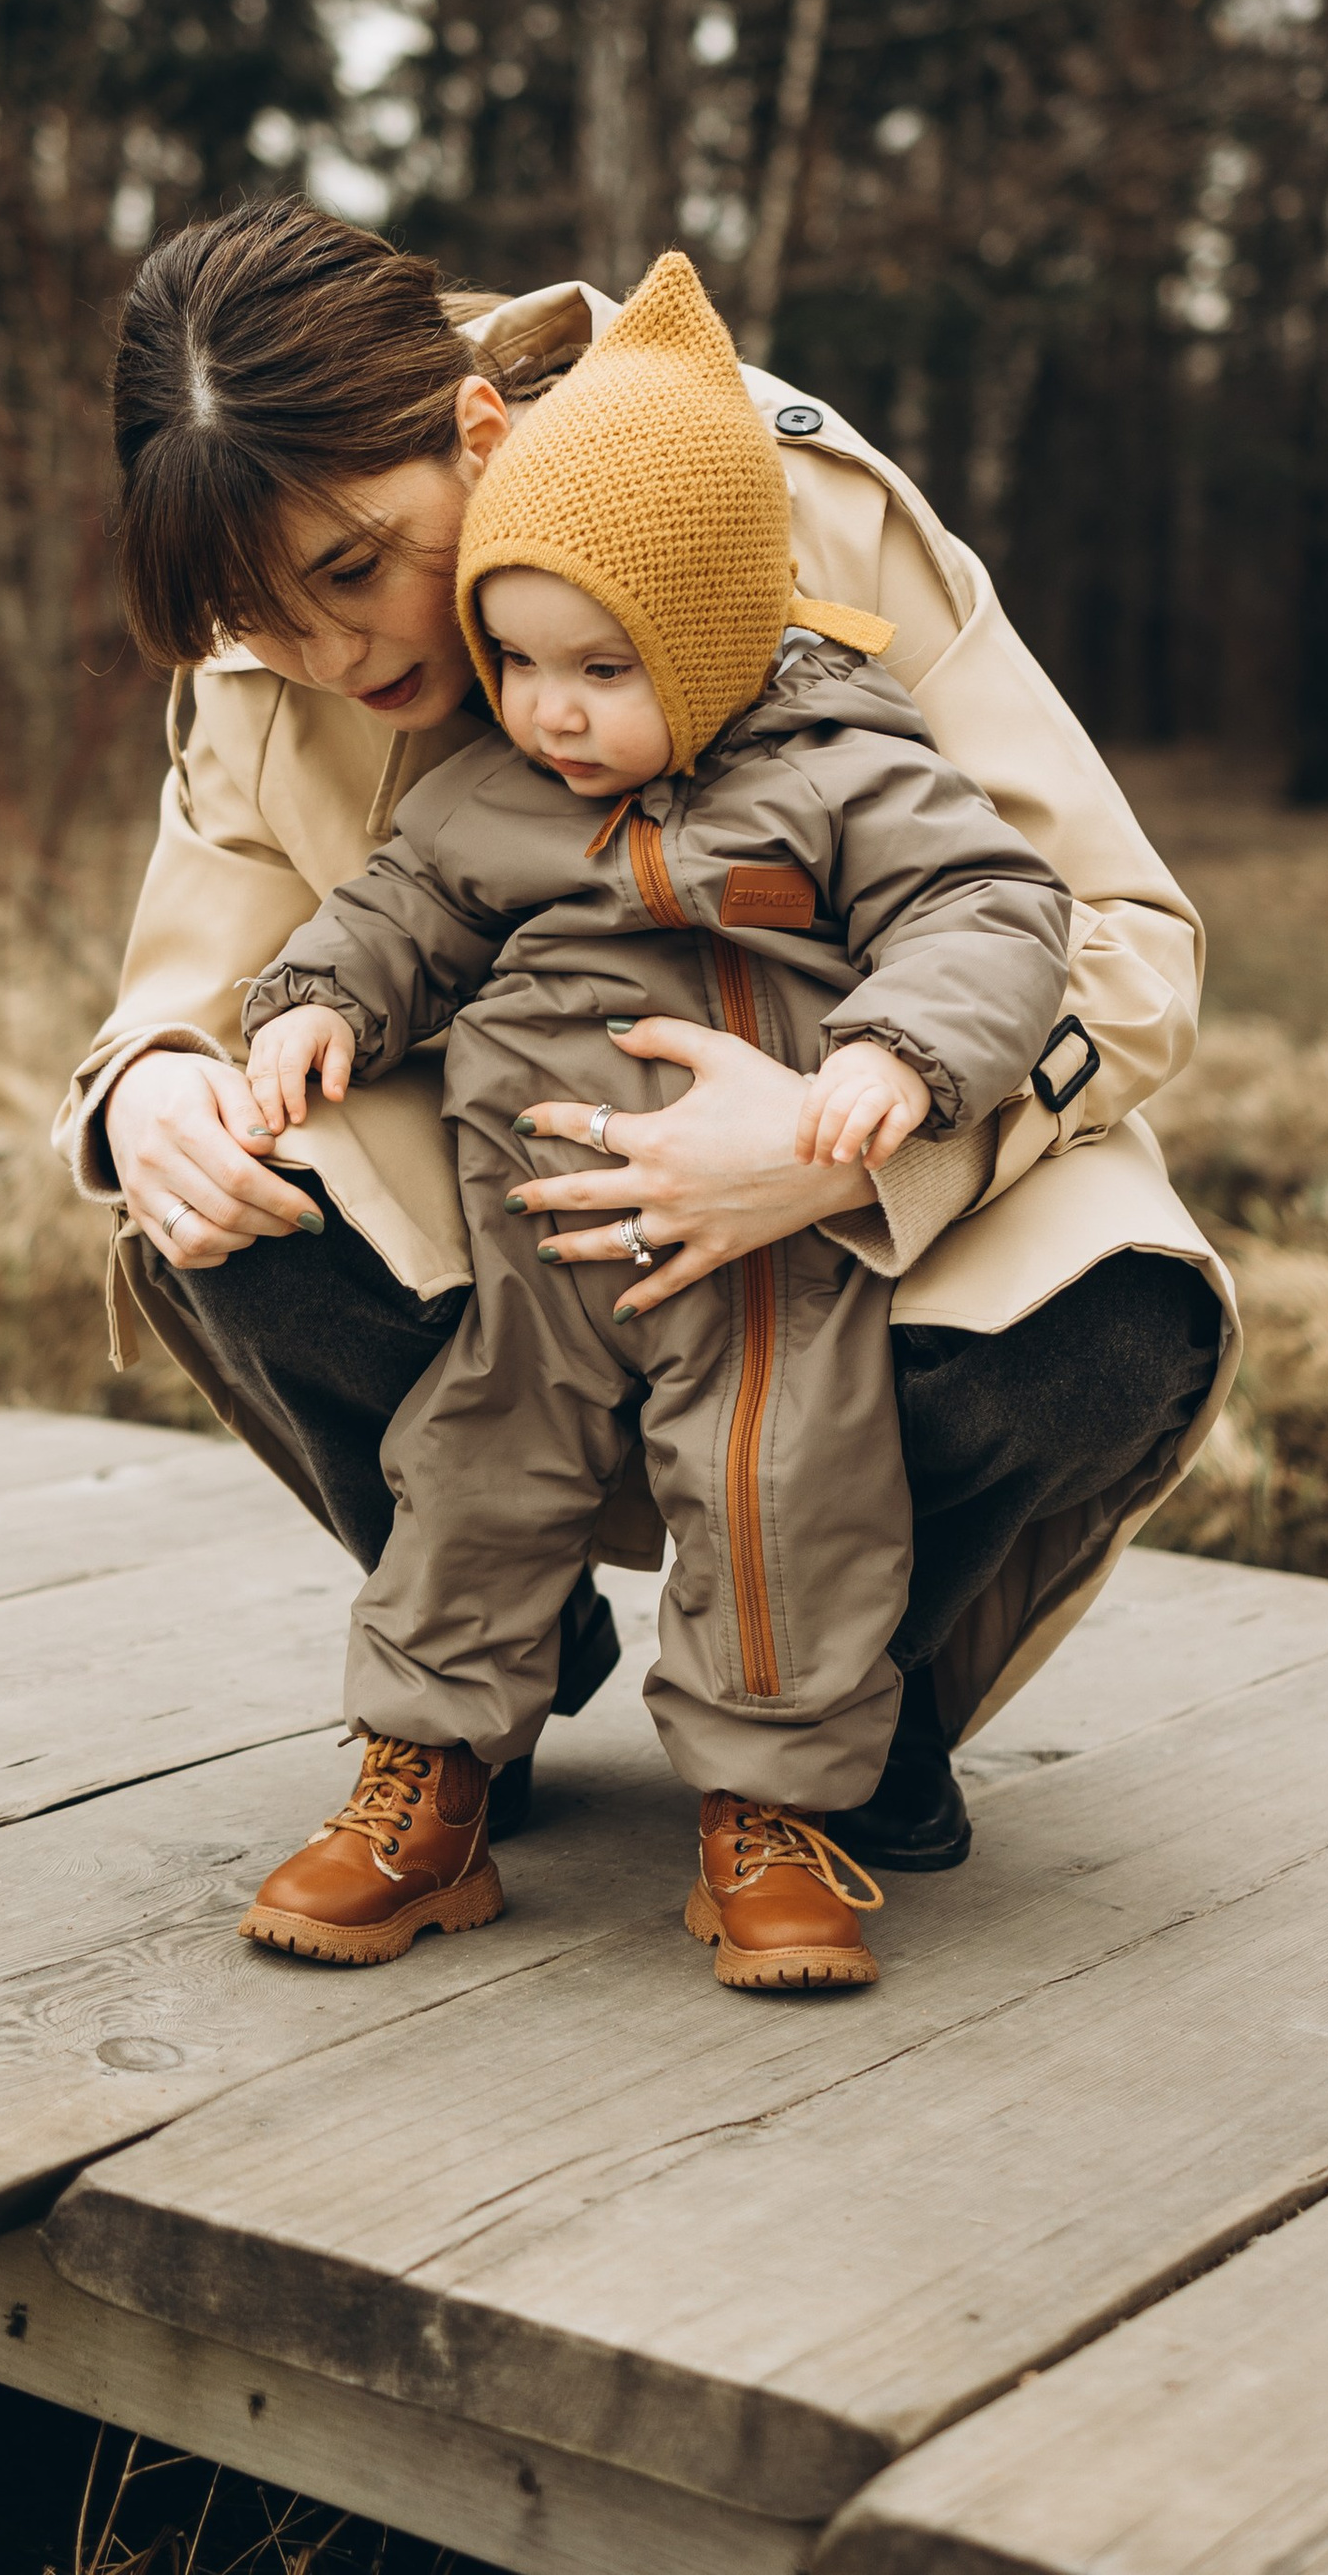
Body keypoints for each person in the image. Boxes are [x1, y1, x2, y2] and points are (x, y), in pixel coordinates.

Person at [55, 199, 1235, 1879]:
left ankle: (857, 1691)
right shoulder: (267, 633)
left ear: (474, 427)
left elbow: (1120, 935)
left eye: (351, 569)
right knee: (211, 1191)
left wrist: (850, 1143)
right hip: (510, 1189)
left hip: (852, 1125)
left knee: (1116, 1327)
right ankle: (487, 1664)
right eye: (261, 616)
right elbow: (192, 974)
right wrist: (157, 1083)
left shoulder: (775, 491)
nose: (326, 652)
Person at [231, 255, 1075, 1990]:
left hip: (762, 1237)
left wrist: (898, 1056)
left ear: (703, 636)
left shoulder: (848, 766)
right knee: (471, 1473)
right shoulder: (498, 785)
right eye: (518, 660)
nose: (549, 710)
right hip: (542, 1237)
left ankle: (769, 1818)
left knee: (783, 1494)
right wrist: (310, 1001)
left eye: (600, 668)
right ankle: (432, 1780)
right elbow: (401, 906)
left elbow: (995, 908)